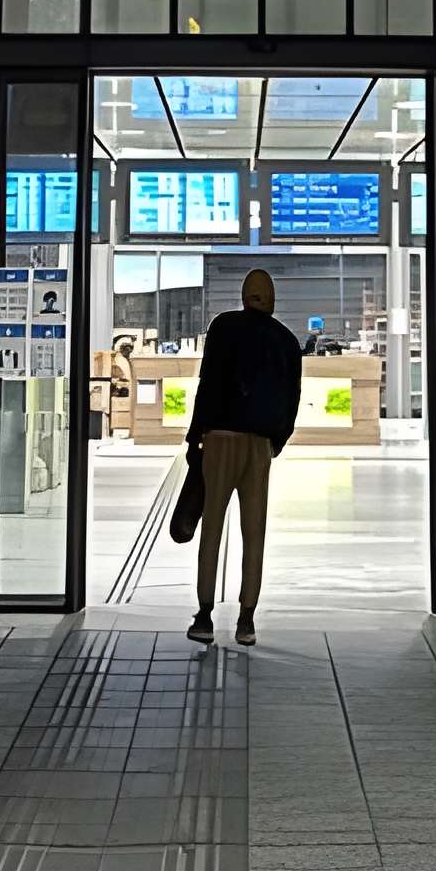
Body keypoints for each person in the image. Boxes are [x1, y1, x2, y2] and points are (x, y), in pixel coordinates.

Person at [187, 268, 302, 647]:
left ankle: (204, 616)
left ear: (243, 296)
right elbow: (291, 400)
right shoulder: (286, 341)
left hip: (219, 439)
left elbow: (209, 382)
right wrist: (275, 442)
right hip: (259, 446)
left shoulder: (224, 327)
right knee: (254, 533)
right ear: (271, 300)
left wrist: (195, 436)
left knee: (212, 528)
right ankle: (246, 620)